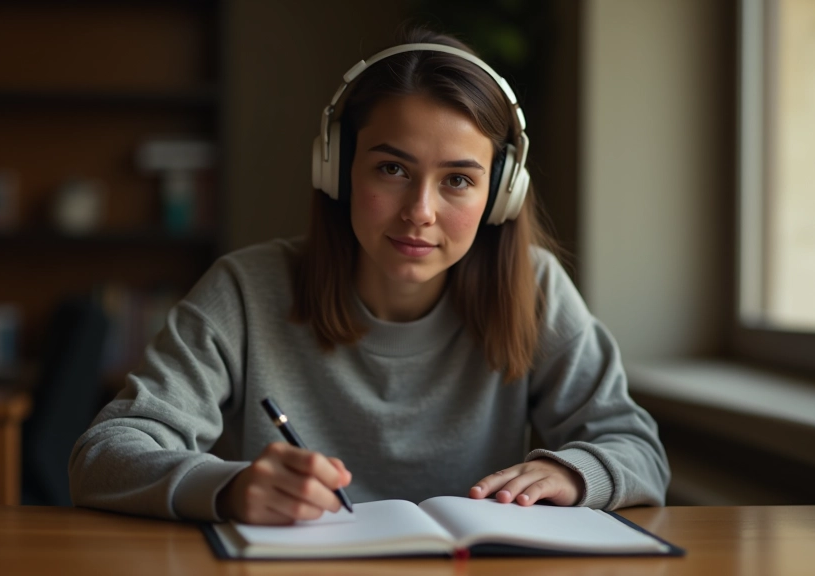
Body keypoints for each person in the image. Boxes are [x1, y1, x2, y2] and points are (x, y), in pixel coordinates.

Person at [69, 27, 670, 526]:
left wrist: (574, 472)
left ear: (502, 194)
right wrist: (227, 488)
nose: (421, 211)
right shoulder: (247, 290)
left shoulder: (533, 289)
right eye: (391, 168)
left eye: (458, 179)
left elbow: (638, 449)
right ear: (335, 167)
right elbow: (103, 454)